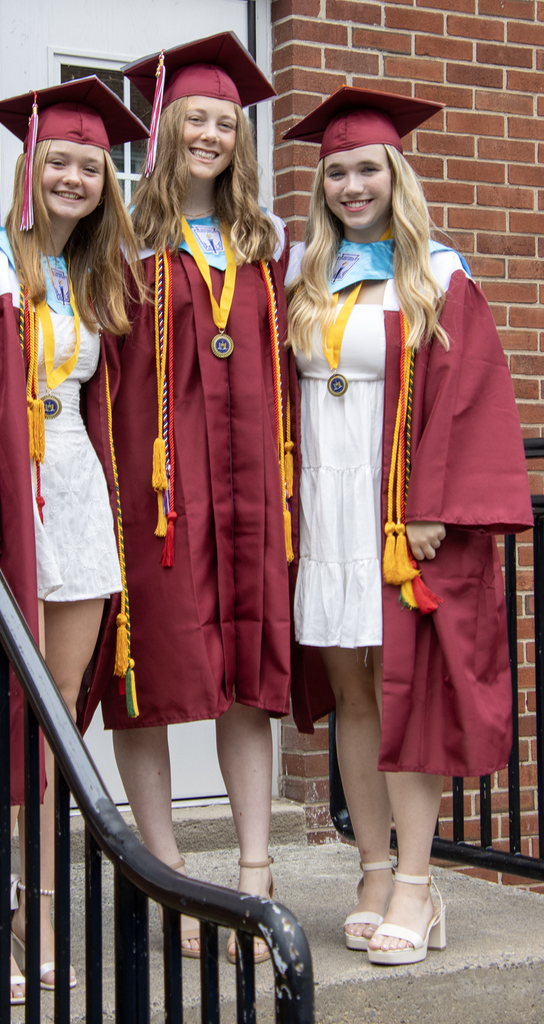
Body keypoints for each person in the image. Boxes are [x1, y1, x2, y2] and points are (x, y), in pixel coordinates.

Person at [283, 87, 533, 966]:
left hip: (393, 514)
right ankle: (372, 868)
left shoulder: (436, 274)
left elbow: (467, 397)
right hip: (321, 506)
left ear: (396, 175)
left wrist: (428, 503)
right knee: (351, 687)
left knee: (404, 687)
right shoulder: (301, 273)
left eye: (366, 169)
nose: (352, 186)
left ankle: (420, 885)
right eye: (337, 172)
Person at [0, 77, 148, 1000]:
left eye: (90, 167)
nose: (74, 178)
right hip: (7, 507)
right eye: (59, 161)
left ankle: (41, 907)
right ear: (29, 165)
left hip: (78, 496)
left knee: (52, 727)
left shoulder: (92, 278)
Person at [80, 32, 299, 962]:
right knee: (152, 684)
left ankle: (253, 877)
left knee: (248, 683)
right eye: (194, 119)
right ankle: (167, 875)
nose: (210, 133)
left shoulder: (270, 244)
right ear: (164, 131)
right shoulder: (119, 236)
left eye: (224, 121)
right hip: (157, 497)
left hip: (251, 491)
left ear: (239, 139)